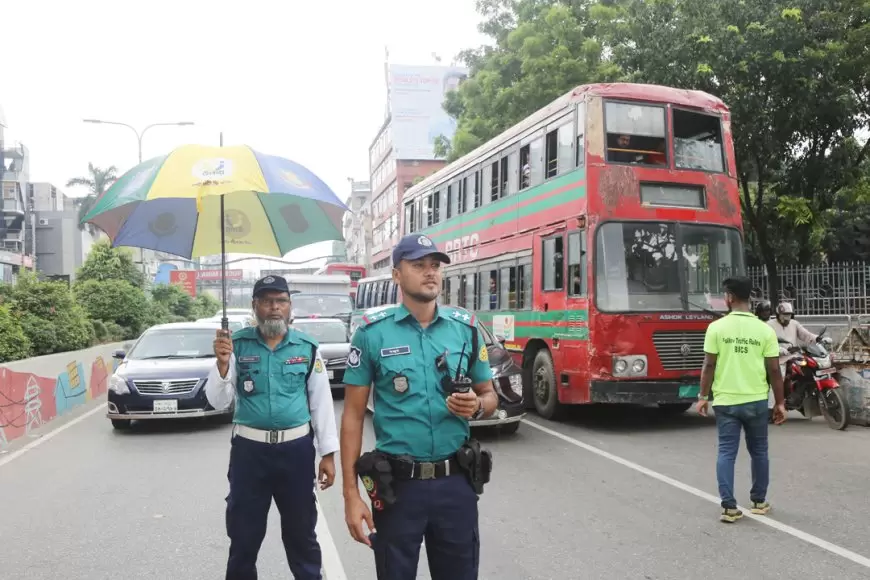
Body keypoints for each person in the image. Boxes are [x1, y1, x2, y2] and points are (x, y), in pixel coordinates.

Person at [340, 233, 499, 580]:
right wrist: (351, 495)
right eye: (418, 265)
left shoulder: (465, 329)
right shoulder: (371, 333)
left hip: (455, 484)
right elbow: (352, 416)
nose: (430, 273)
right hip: (398, 489)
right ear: (397, 274)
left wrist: (476, 405)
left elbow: (490, 396)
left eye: (435, 266)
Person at [206, 275, 339, 580]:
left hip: (296, 452)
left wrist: (328, 453)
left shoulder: (306, 348)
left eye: (281, 301)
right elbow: (217, 401)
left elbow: (321, 403)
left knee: (302, 534)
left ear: (290, 306)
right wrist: (223, 365)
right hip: (249, 453)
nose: (274, 308)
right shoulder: (235, 346)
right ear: (255, 307)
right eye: (267, 301)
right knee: (243, 536)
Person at [696, 276, 787, 523]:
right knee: (759, 451)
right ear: (749, 298)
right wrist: (779, 403)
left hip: (725, 401)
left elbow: (709, 365)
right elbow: (775, 371)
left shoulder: (716, 328)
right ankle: (759, 501)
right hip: (756, 400)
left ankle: (728, 506)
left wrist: (703, 396)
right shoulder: (764, 330)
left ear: (729, 297)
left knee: (726, 451)